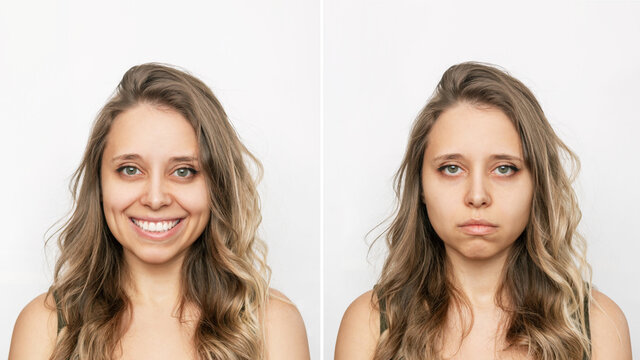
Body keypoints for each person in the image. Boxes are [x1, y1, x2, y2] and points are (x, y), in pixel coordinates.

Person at [9, 63, 310, 360]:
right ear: (99, 184)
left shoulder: (273, 325)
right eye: (130, 169)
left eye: (183, 171)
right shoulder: (46, 327)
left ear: (216, 185)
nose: (155, 198)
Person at [335, 62, 631, 359]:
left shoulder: (600, 325)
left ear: (537, 184)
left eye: (504, 168)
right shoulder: (371, 324)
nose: (477, 196)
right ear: (421, 185)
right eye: (452, 168)